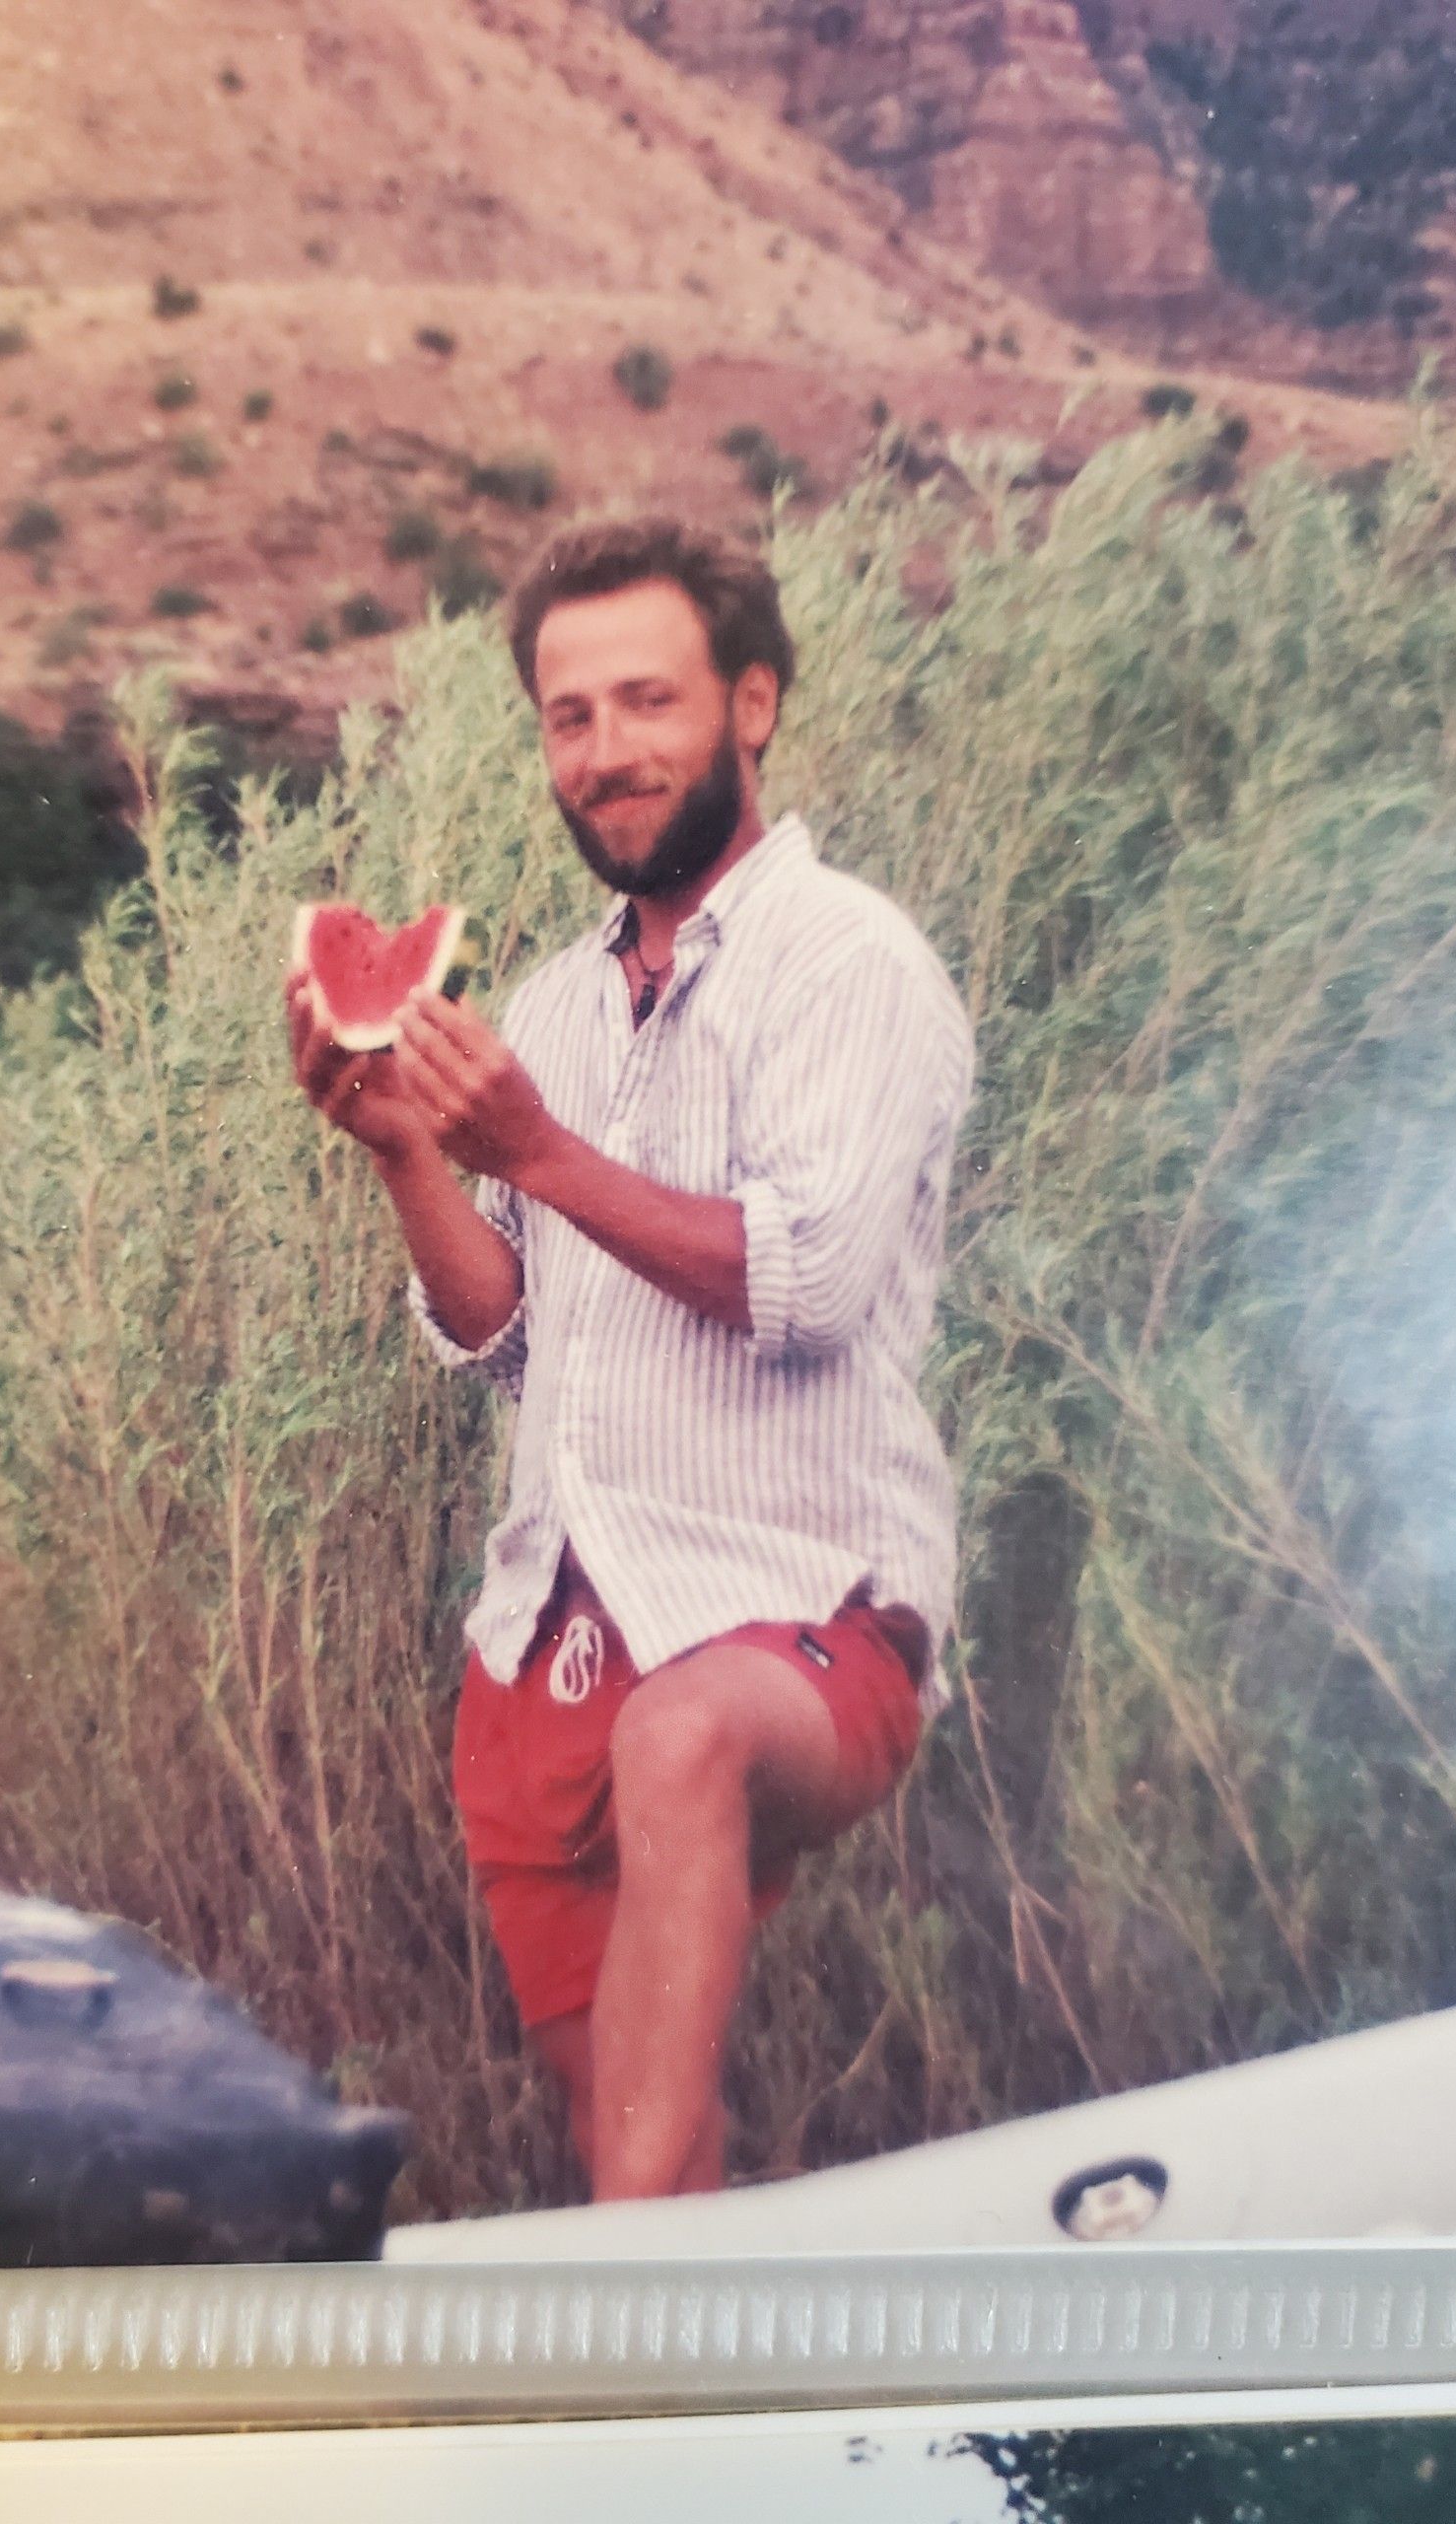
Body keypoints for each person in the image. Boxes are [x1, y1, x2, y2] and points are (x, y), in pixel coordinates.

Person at [286, 515, 974, 2203]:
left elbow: (804, 1284)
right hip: (557, 1644)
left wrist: (535, 1154)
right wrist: (408, 1155)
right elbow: (512, 1341)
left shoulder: (849, 968)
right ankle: (734, 2428)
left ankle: (620, 2381)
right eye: (568, 716)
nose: (604, 754)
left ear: (752, 706)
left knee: (683, 1742)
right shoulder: (558, 1006)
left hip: (801, 1617)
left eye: (647, 703)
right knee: (647, 2160)